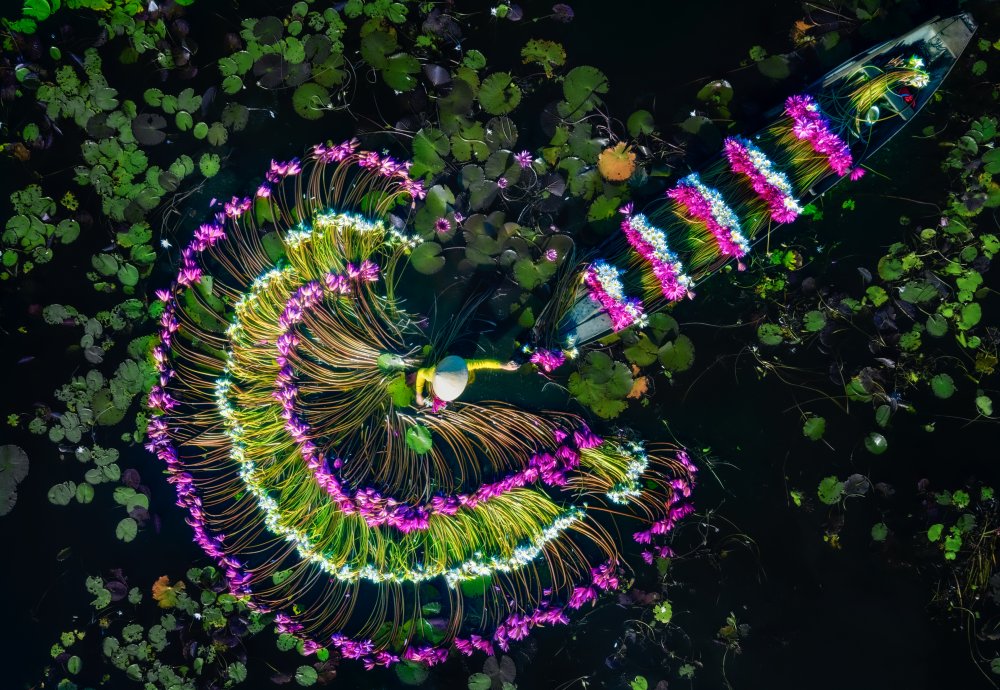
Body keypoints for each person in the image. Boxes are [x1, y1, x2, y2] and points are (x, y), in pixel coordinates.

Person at [414, 355, 519, 407]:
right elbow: (483, 363)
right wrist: (418, 394)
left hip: (455, 363)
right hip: (451, 362)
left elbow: (484, 363)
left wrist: (504, 366)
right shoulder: (433, 374)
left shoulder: (431, 374)